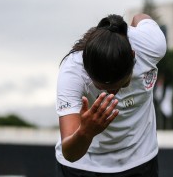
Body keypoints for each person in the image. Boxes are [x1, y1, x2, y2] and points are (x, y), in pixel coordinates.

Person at [55, 13, 167, 177]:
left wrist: (129, 35)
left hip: (140, 160)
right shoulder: (72, 72)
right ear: (87, 71)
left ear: (133, 57)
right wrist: (86, 132)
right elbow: (70, 153)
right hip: (82, 167)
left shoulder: (150, 46)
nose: (112, 94)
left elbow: (139, 17)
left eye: (120, 85)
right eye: (103, 88)